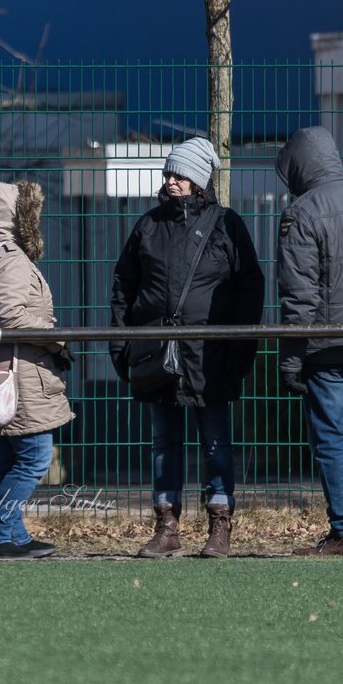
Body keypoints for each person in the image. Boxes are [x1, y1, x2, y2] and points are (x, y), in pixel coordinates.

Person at [111, 138, 263, 559]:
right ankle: (166, 524)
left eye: (180, 175)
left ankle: (220, 522)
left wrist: (239, 353)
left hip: (209, 357)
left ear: (199, 180)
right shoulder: (148, 226)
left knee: (216, 440)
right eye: (169, 174)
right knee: (164, 441)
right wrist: (124, 348)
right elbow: (123, 287)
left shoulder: (226, 225)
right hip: (157, 353)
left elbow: (249, 289)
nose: (171, 181)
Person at [0, 180, 71, 559]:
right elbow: (10, 315)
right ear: (21, 216)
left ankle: (13, 537)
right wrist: (56, 336)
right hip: (20, 373)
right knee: (35, 457)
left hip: (3, 371)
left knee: (8, 459)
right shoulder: (10, 256)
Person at [275, 126, 343, 556]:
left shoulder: (302, 213)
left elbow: (299, 296)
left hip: (325, 348)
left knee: (332, 438)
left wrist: (290, 361)